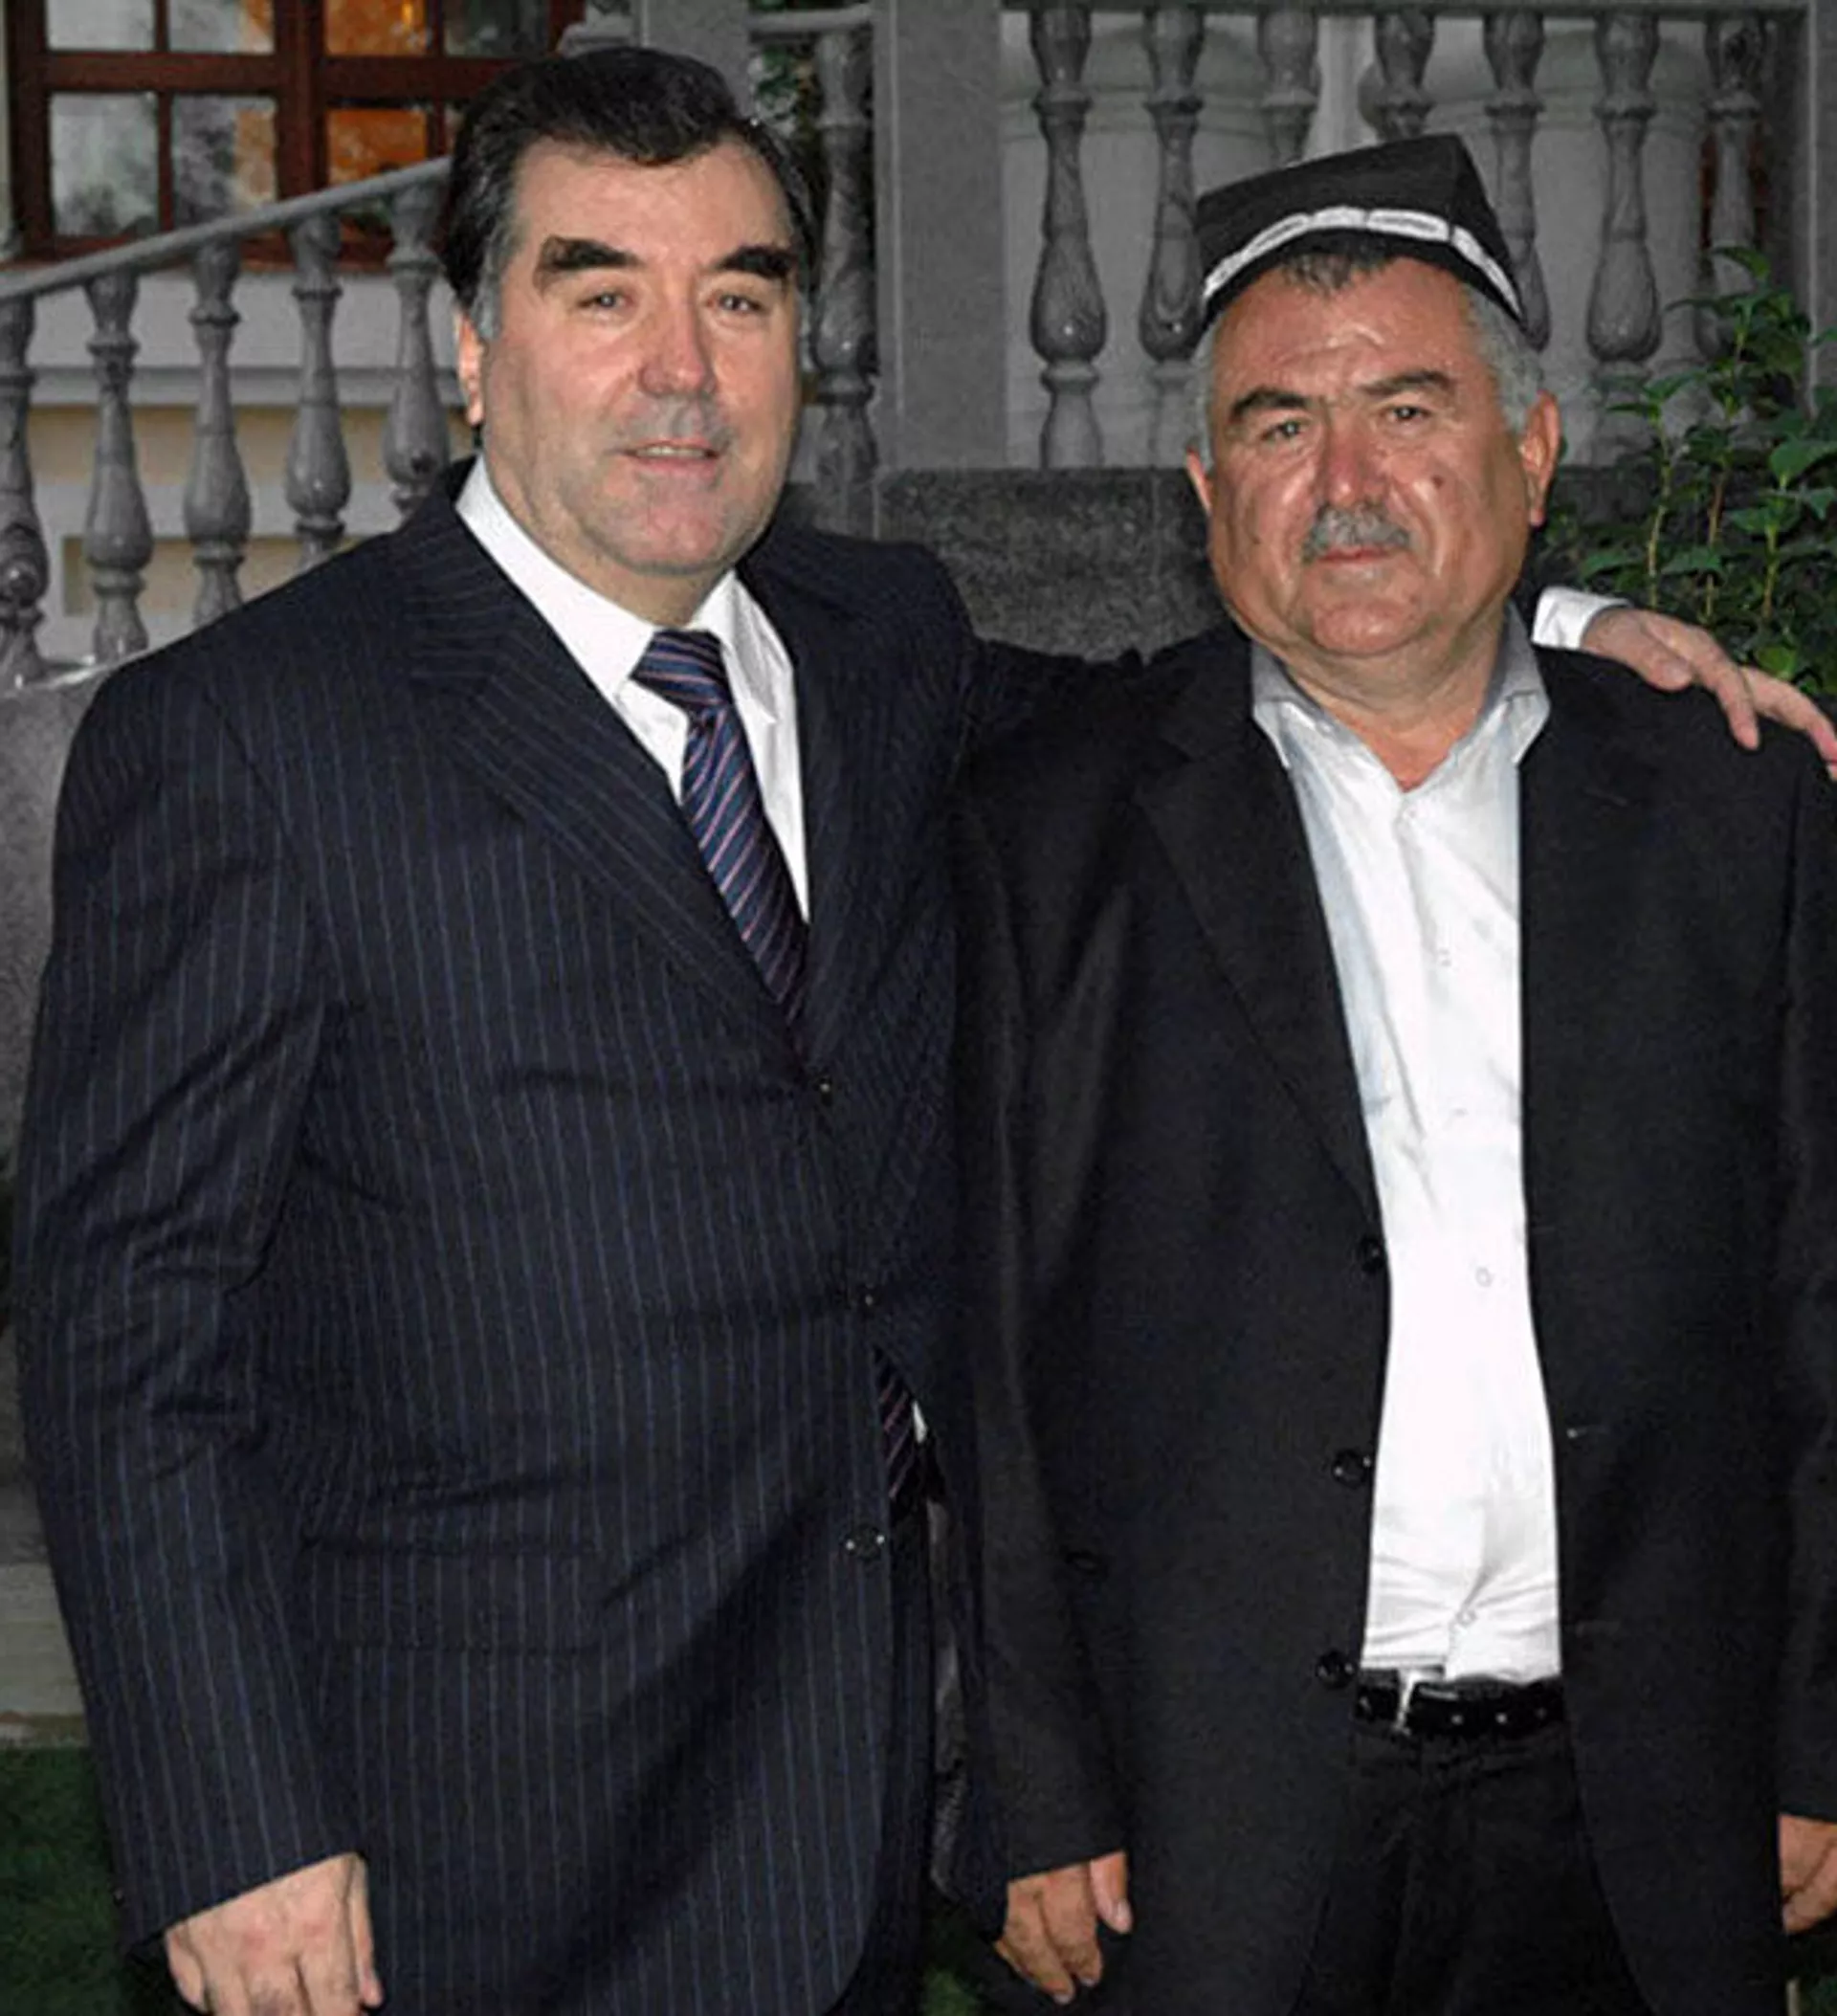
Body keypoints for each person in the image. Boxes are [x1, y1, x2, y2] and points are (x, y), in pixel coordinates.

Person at [11, 48, 1825, 2016]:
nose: (683, 369)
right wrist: (234, 1820)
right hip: (452, 1839)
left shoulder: (876, 647)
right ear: (471, 348)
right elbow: (128, 1336)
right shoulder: (250, 737)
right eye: (601, 293)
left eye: (741, 296)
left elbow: (1263, 674)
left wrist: (1565, 630)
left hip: (833, 1807)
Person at [955, 136, 1837, 2016]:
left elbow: (1822, 1299)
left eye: (1408, 411)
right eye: (1279, 427)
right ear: (1209, 494)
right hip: (1214, 1830)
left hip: (1646, 1807)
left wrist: (1820, 1734)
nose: (1345, 481)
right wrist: (1035, 1781)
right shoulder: (1052, 831)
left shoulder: (1732, 809)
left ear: (1532, 453)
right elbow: (996, 1352)